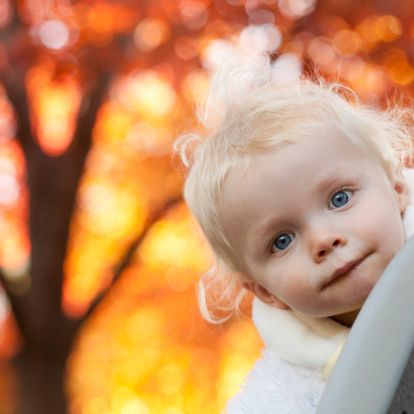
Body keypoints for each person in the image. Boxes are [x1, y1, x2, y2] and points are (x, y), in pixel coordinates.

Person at [175, 43, 414, 413]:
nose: (323, 240)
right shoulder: (284, 396)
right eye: (282, 241)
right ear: (265, 291)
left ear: (396, 187)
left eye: (339, 199)